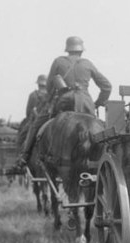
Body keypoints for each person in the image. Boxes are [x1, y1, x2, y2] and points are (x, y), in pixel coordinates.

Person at [17, 36, 111, 167]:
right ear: (81, 51)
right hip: (85, 103)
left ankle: (24, 155)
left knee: (36, 124)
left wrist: (52, 98)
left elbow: (50, 85)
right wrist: (98, 103)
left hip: (64, 101)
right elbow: (107, 86)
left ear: (68, 49)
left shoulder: (58, 61)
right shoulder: (87, 64)